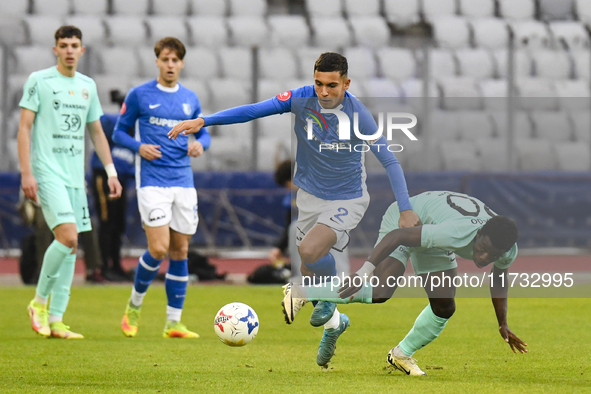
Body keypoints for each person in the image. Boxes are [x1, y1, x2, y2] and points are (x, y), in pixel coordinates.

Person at [168, 52, 420, 365]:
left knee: (310, 251)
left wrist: (406, 208)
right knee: (310, 265)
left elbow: (390, 160)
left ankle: (324, 301)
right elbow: (253, 111)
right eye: (318, 84)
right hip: (311, 198)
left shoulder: (359, 114)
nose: (323, 92)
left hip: (347, 198)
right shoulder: (301, 98)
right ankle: (335, 322)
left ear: (346, 83)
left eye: (331, 85)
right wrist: (206, 120)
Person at [283, 191, 527, 374]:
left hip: (432, 229)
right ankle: (301, 292)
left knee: (444, 307)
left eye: (492, 255)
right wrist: (365, 270)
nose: (483, 258)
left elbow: (498, 278)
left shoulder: (507, 248)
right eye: (482, 248)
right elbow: (398, 236)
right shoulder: (455, 232)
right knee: (380, 290)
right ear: (479, 234)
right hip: (406, 221)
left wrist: (502, 323)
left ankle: (401, 355)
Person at [18, 25, 122, 339]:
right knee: (66, 237)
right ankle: (38, 303)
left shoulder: (87, 86)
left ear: (82, 50)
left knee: (72, 246)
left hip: (76, 178)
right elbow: (24, 128)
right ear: (55, 49)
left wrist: (111, 171)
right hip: (47, 172)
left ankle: (58, 319)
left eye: (74, 45)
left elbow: (96, 132)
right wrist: (26, 172)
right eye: (63, 45)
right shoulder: (39, 80)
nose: (68, 50)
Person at [112, 37, 211, 339]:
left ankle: (173, 322)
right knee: (158, 248)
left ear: (181, 63)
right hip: (153, 181)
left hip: (183, 181)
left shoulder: (190, 99)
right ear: (157, 61)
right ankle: (134, 306)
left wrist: (199, 146)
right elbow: (118, 132)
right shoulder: (140, 95)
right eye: (165, 59)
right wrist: (139, 146)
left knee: (180, 250)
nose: (170, 65)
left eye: (175, 60)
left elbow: (204, 135)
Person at [90, 89, 135, 282]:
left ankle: (115, 265)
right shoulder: (114, 123)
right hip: (104, 176)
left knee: (118, 224)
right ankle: (102, 266)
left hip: (122, 179)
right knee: (107, 223)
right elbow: (101, 127)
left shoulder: (139, 129)